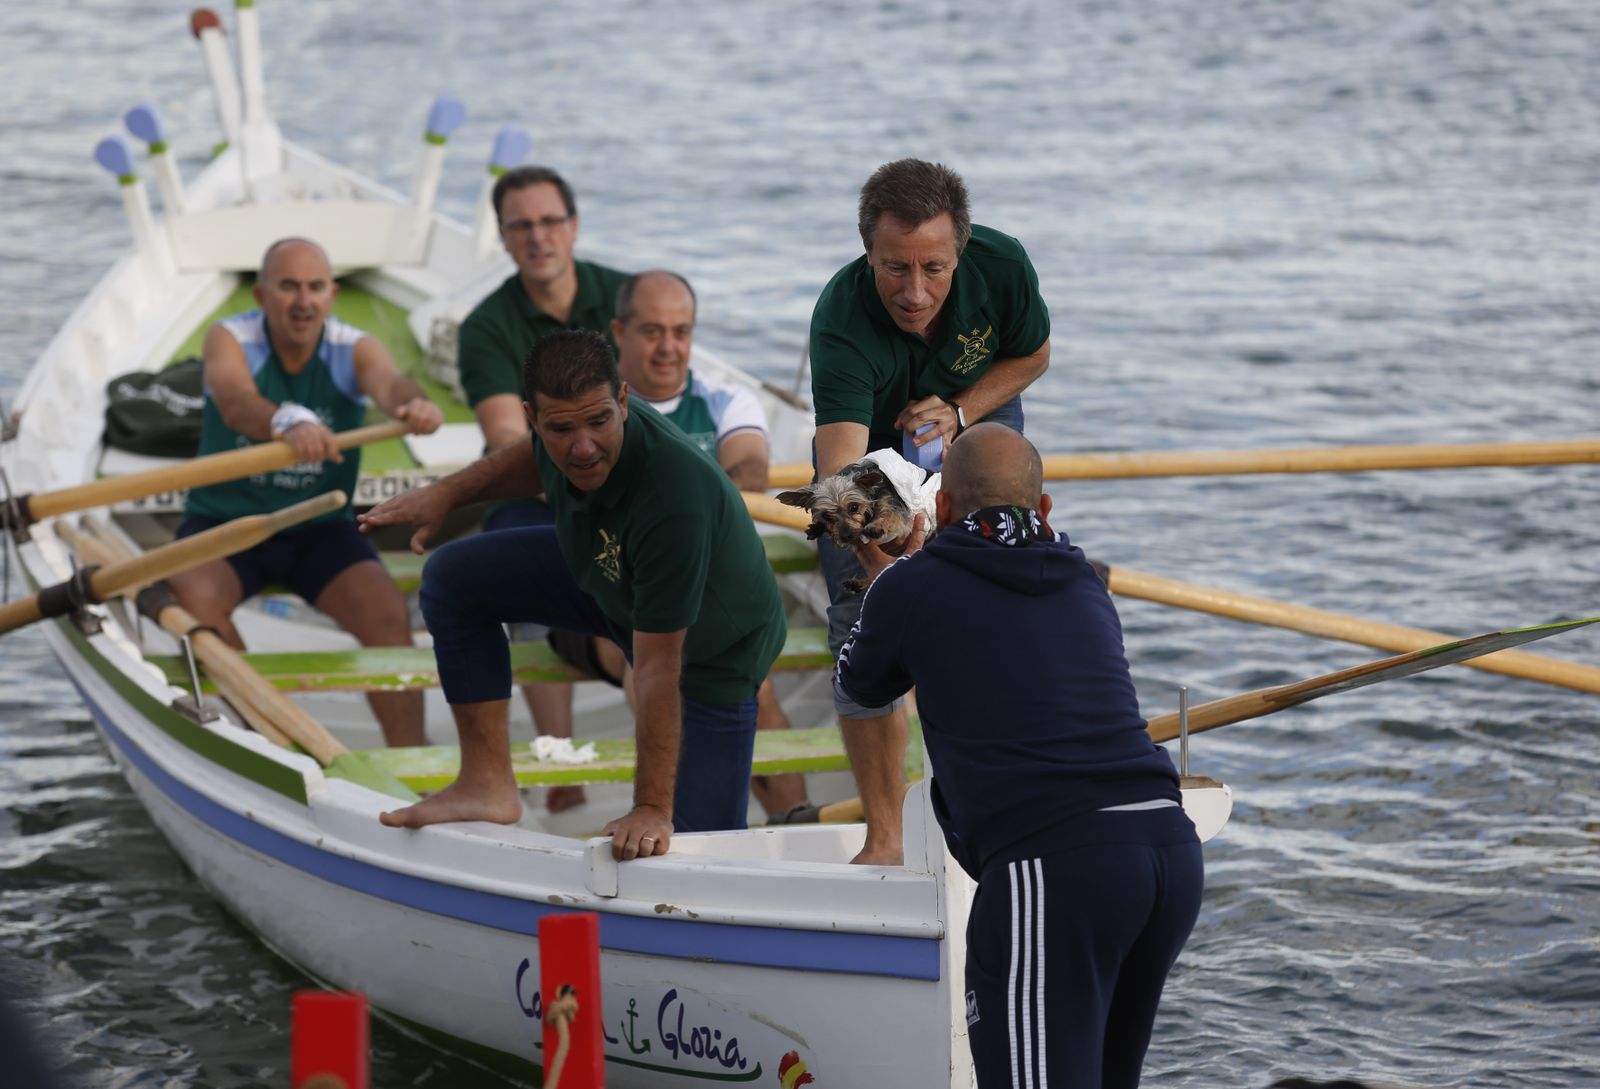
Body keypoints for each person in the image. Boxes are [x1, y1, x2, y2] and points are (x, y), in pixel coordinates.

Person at [833, 423, 1202, 1089]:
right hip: (1170, 853)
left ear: (940, 509)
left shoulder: (912, 584)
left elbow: (856, 685)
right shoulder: (1087, 578)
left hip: (1057, 861)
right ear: (1047, 510)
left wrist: (891, 581)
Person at [359, 330, 787, 862]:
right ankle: (486, 782)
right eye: (561, 428)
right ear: (533, 419)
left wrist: (651, 806)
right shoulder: (562, 429)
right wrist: (445, 494)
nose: (583, 447)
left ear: (624, 401)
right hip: (611, 574)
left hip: (713, 648)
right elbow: (526, 459)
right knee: (452, 578)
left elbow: (657, 666)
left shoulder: (674, 493)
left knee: (706, 849)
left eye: (598, 422)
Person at [809, 157, 1053, 863]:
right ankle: (884, 836)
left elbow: (1032, 354)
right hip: (874, 442)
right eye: (894, 269)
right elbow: (839, 480)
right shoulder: (841, 319)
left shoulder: (1002, 264)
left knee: (1004, 581)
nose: (915, 293)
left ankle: (1010, 806)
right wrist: (888, 557)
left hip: (975, 403)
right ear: (868, 254)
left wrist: (959, 411)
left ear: (962, 251)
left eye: (935, 269)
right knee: (860, 614)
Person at [169, 238, 443, 747]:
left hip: (319, 527)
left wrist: (415, 405)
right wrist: (286, 420)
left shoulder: (353, 346)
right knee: (192, 601)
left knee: (386, 614)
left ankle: (413, 760)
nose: (303, 301)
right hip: (226, 525)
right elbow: (233, 401)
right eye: (289, 287)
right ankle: (265, 741)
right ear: (261, 296)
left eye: (315, 287)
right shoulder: (229, 338)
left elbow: (391, 384)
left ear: (332, 295)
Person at [456, 165, 632, 811]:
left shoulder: (626, 297)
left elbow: (665, 398)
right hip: (531, 498)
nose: (538, 237)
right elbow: (509, 439)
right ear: (502, 238)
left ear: (574, 225)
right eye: (521, 225)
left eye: (550, 221)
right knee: (512, 559)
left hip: (625, 485)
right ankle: (559, 753)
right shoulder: (486, 326)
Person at [610, 269, 807, 817]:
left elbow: (747, 470)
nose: (668, 347)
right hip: (621, 598)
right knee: (660, 680)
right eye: (652, 331)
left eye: (681, 331)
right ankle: (688, 828)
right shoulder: (602, 412)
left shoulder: (725, 401)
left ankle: (794, 826)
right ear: (619, 332)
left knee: (755, 693)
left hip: (706, 592)